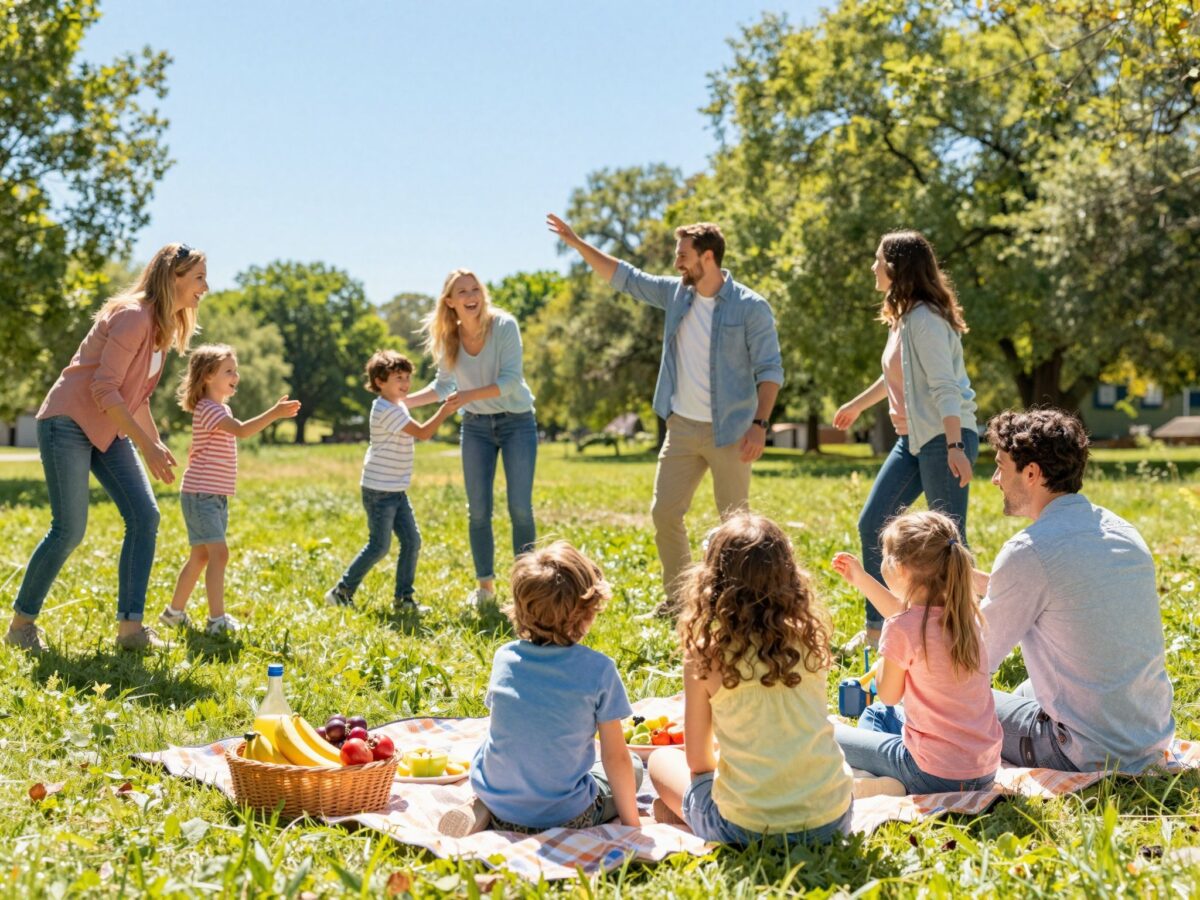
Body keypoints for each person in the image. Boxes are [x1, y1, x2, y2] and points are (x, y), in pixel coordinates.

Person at [547, 214, 783, 617]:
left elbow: (770, 370)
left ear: (707, 257)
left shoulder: (750, 308)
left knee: (737, 529)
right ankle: (679, 601)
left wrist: (759, 424)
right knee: (665, 513)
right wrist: (578, 243)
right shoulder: (678, 295)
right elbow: (625, 276)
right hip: (682, 428)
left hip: (732, 430)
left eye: (683, 256)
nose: (677, 263)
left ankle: (736, 606)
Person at [5, 243, 206, 653]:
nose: (206, 286)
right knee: (69, 529)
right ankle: (21, 625)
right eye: (199, 277)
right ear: (174, 277)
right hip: (69, 421)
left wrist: (155, 442)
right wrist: (144, 446)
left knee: (145, 517)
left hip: (108, 427)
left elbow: (138, 397)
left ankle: (130, 631)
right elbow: (103, 388)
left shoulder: (160, 330)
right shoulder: (133, 317)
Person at [979, 408, 1174, 772]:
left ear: (1032, 473)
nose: (994, 479)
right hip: (1150, 738)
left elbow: (974, 661)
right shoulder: (1123, 531)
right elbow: (1053, 590)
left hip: (1081, 752)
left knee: (933, 698)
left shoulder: (1029, 551)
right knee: (1026, 688)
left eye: (1001, 466)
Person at [647, 513, 853, 846]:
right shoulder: (809, 640)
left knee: (659, 760)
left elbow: (698, 762)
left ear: (712, 583)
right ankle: (683, 813)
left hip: (746, 829)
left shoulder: (706, 655)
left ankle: (684, 815)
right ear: (788, 576)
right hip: (831, 819)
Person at [833, 231, 979, 652]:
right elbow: (895, 378)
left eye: (878, 261)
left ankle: (966, 633)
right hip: (912, 441)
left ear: (896, 268)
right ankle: (879, 628)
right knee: (872, 523)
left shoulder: (926, 321)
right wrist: (858, 405)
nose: (873, 268)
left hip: (942, 438)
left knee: (949, 539)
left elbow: (944, 388)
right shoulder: (904, 320)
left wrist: (955, 446)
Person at [437, 541, 642, 836]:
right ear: (586, 612)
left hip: (500, 801)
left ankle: (482, 807)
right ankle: (519, 810)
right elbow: (616, 757)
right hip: (566, 816)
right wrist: (632, 826)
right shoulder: (599, 669)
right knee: (633, 766)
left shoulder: (504, 657)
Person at [830, 511, 1001, 794]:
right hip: (984, 771)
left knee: (831, 735)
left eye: (885, 556)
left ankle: (888, 781)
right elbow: (911, 618)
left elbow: (888, 695)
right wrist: (860, 578)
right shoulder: (966, 616)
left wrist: (888, 656)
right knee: (876, 715)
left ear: (901, 570)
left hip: (931, 775)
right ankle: (887, 771)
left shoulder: (902, 627)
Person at [404, 270, 537, 608]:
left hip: (516, 422)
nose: (470, 295)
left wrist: (467, 396)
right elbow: (442, 387)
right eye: (461, 291)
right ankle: (486, 589)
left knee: (519, 508)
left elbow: (510, 380)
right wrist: (401, 401)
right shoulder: (450, 337)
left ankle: (528, 589)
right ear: (450, 302)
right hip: (476, 426)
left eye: (475, 288)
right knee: (478, 511)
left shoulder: (504, 326)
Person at [159, 344, 301, 635]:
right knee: (218, 554)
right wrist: (274, 412)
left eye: (235, 370)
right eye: (229, 371)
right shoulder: (208, 409)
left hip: (212, 495)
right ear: (208, 375)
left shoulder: (219, 408)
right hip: (201, 495)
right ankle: (216, 620)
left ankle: (174, 613)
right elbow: (242, 430)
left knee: (201, 556)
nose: (236, 375)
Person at [324, 350, 457, 614]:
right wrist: (444, 411)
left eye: (407, 377)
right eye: (398, 378)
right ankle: (341, 592)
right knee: (379, 546)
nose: (406, 383)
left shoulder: (397, 404)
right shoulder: (386, 409)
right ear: (380, 381)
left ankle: (404, 599)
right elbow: (423, 433)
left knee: (412, 541)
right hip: (379, 491)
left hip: (396, 489)